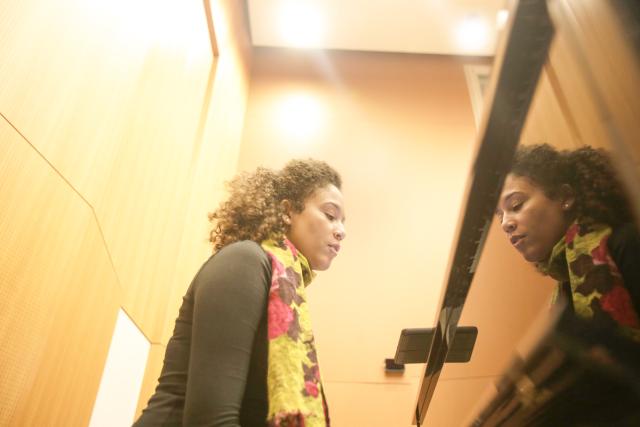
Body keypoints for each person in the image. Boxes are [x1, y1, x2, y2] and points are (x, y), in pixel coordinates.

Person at [133, 159, 346, 426]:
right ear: (288, 211)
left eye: (343, 222)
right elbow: (209, 420)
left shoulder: (286, 289)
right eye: (330, 215)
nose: (341, 231)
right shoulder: (245, 261)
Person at [495, 144, 640, 341]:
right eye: (500, 216)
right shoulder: (565, 291)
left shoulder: (627, 243)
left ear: (565, 197)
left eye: (516, 205)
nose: (505, 223)